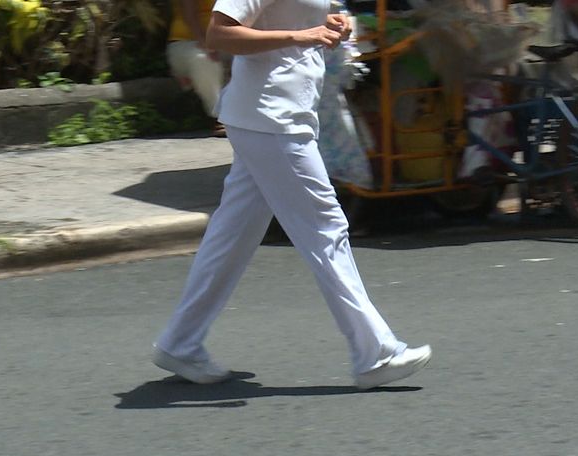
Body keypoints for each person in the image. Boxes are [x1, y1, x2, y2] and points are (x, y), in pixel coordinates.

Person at [151, 0, 432, 389]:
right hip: (272, 118)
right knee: (325, 227)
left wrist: (333, 25)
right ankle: (376, 352)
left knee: (231, 237)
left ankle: (180, 342)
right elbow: (220, 32)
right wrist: (303, 35)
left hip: (278, 115)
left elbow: (309, 19)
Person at [166, 0, 227, 136]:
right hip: (188, 43)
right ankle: (219, 116)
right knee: (203, 59)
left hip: (225, 41)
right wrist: (205, 43)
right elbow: (189, 14)